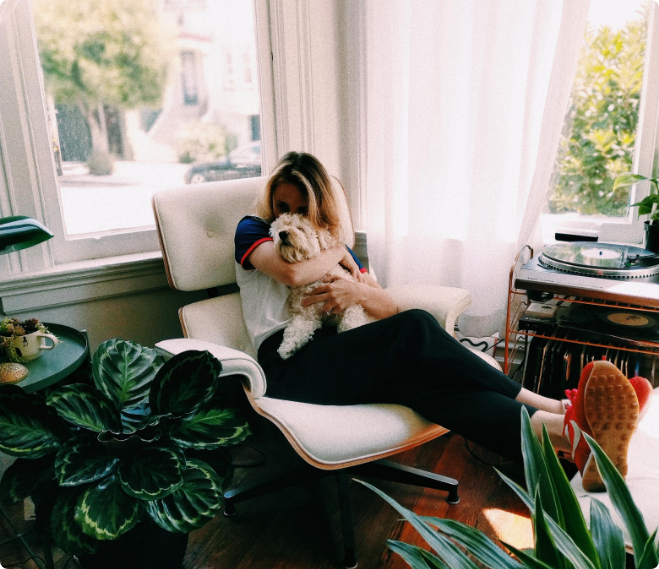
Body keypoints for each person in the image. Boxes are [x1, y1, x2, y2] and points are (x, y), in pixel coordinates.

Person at [234, 151, 653, 492]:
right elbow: (292, 274)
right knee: (417, 326)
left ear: (320, 209)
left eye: (302, 209)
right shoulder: (255, 229)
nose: (287, 216)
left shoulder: (330, 245)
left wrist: (357, 290)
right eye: (282, 205)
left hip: (340, 356)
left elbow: (385, 307)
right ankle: (554, 407)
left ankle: (574, 438)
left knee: (432, 387)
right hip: (287, 364)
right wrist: (340, 249)